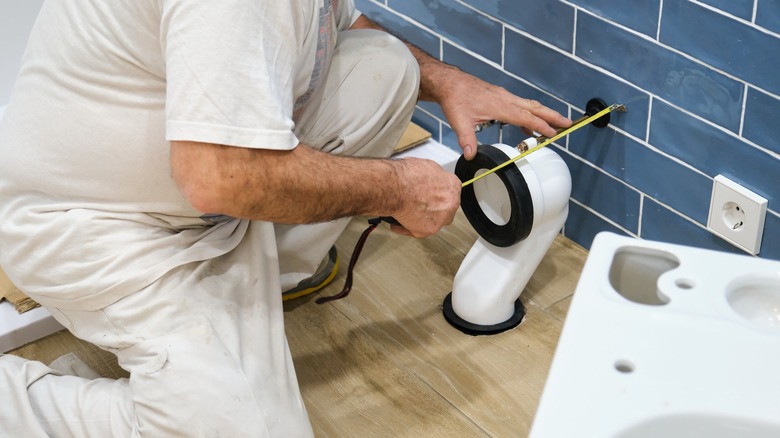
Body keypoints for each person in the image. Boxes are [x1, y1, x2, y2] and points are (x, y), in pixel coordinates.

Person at [0, 0, 571, 436]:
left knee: (384, 67)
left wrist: (448, 81)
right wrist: (397, 187)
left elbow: (340, 28)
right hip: (97, 225)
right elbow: (216, 176)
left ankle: (256, 288)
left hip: (197, 191)